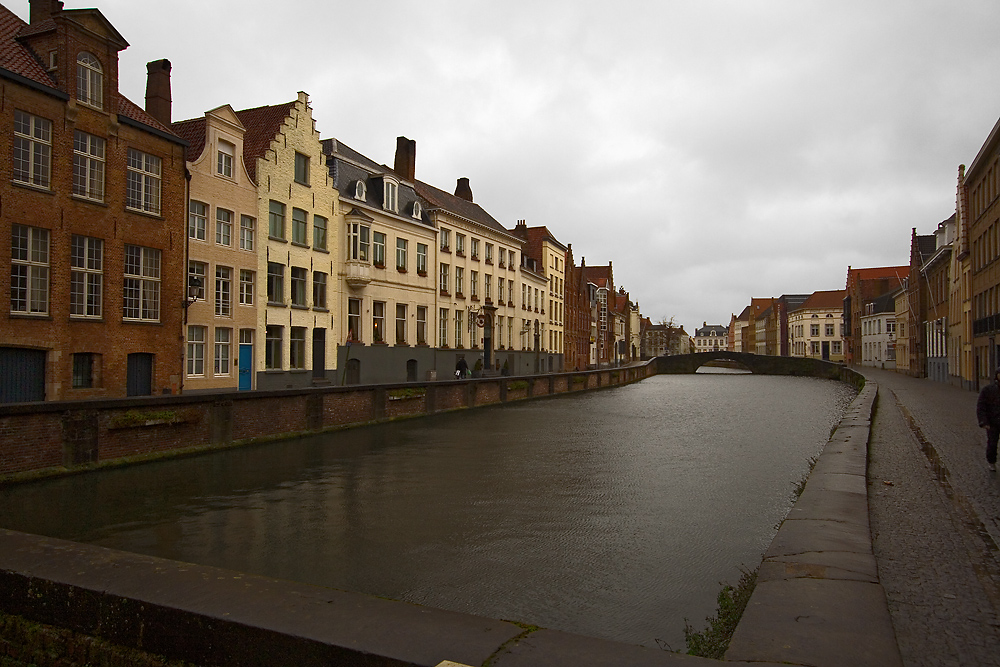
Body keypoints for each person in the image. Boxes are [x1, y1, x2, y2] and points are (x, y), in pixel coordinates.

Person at [976, 366, 1000, 472]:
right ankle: (991, 462)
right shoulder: (988, 390)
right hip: (992, 423)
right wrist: (983, 421)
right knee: (992, 444)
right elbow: (981, 407)